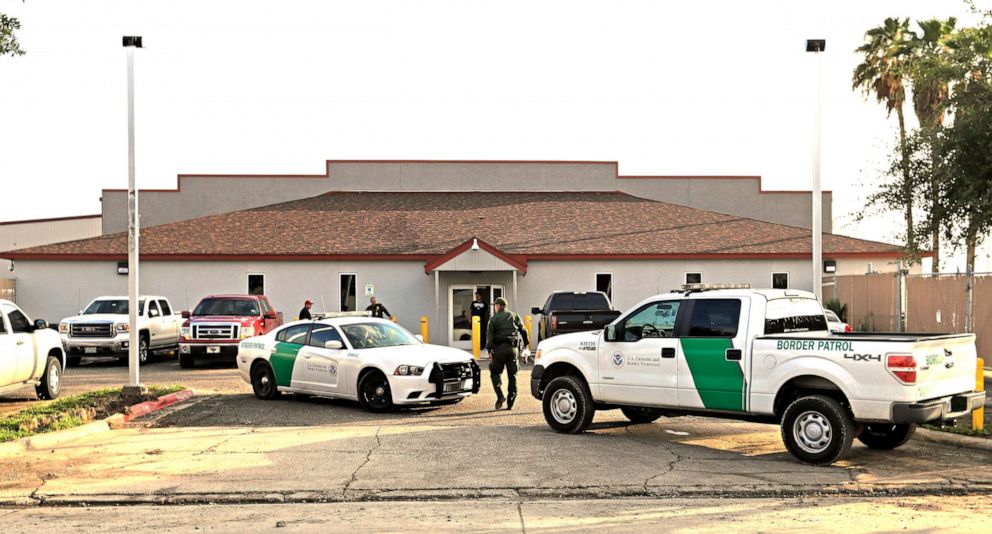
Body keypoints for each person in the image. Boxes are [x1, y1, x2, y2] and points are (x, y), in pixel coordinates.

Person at [486, 297, 529, 410]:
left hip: (499, 350)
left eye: (495, 305)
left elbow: (490, 337)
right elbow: (524, 331)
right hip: (512, 349)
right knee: (512, 375)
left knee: (494, 372)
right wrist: (526, 345)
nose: (495, 307)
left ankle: (500, 396)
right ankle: (510, 403)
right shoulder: (515, 316)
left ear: (498, 306)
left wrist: (489, 350)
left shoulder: (493, 319)